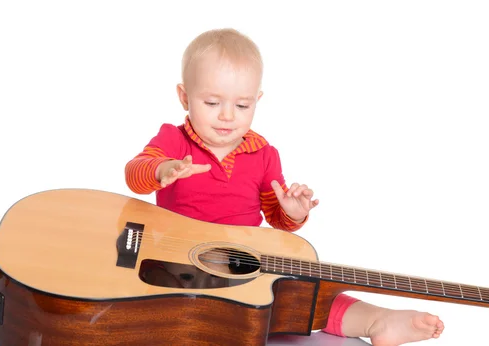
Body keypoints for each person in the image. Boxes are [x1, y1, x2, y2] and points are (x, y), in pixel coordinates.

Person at [124, 28, 444, 346]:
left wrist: (291, 213)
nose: (226, 116)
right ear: (184, 97)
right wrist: (163, 168)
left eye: (242, 105)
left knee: (300, 291)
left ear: (257, 101)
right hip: (175, 263)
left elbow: (277, 220)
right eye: (211, 102)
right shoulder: (173, 139)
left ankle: (377, 319)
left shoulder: (265, 155)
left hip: (238, 262)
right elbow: (134, 173)